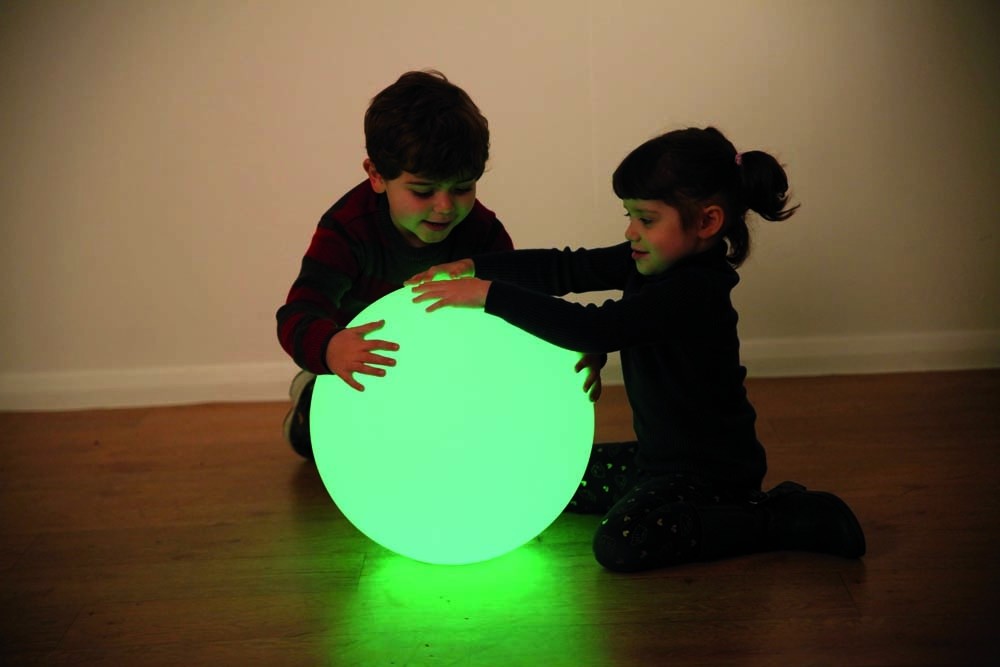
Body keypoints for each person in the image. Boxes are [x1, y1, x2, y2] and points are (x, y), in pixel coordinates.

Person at [407, 126, 866, 571]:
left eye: (646, 219)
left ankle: (774, 517)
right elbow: (567, 268)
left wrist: (489, 294)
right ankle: (706, 503)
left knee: (621, 542)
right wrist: (476, 267)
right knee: (553, 475)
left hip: (711, 475)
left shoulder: (694, 290)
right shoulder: (649, 261)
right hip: (657, 459)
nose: (631, 231)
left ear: (707, 221)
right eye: (628, 216)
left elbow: (596, 328)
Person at [276, 70, 515, 460]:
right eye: (423, 191)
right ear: (376, 176)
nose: (445, 207)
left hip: (445, 366)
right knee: (324, 444)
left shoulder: (482, 232)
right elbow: (298, 313)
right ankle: (309, 395)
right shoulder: (348, 230)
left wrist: (568, 345)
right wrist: (331, 347)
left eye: (462, 188)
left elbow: (521, 303)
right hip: (363, 363)